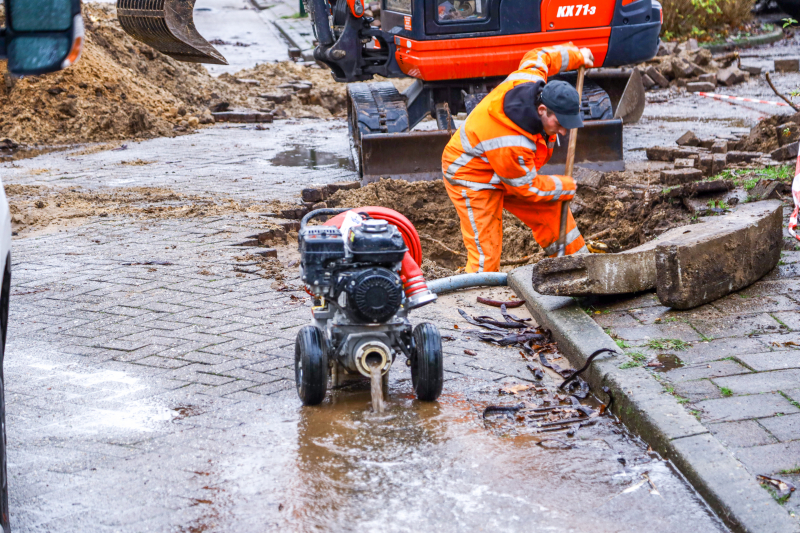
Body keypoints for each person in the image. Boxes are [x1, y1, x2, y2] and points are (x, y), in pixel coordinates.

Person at [441, 43, 594, 273]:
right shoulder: (513, 141)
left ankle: (583, 272)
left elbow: (540, 55)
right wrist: (565, 185)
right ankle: (475, 298)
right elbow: (528, 188)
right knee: (486, 255)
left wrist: (578, 56)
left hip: (509, 171)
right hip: (471, 175)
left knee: (552, 208)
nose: (563, 132)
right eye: (560, 124)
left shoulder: (531, 77)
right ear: (542, 109)